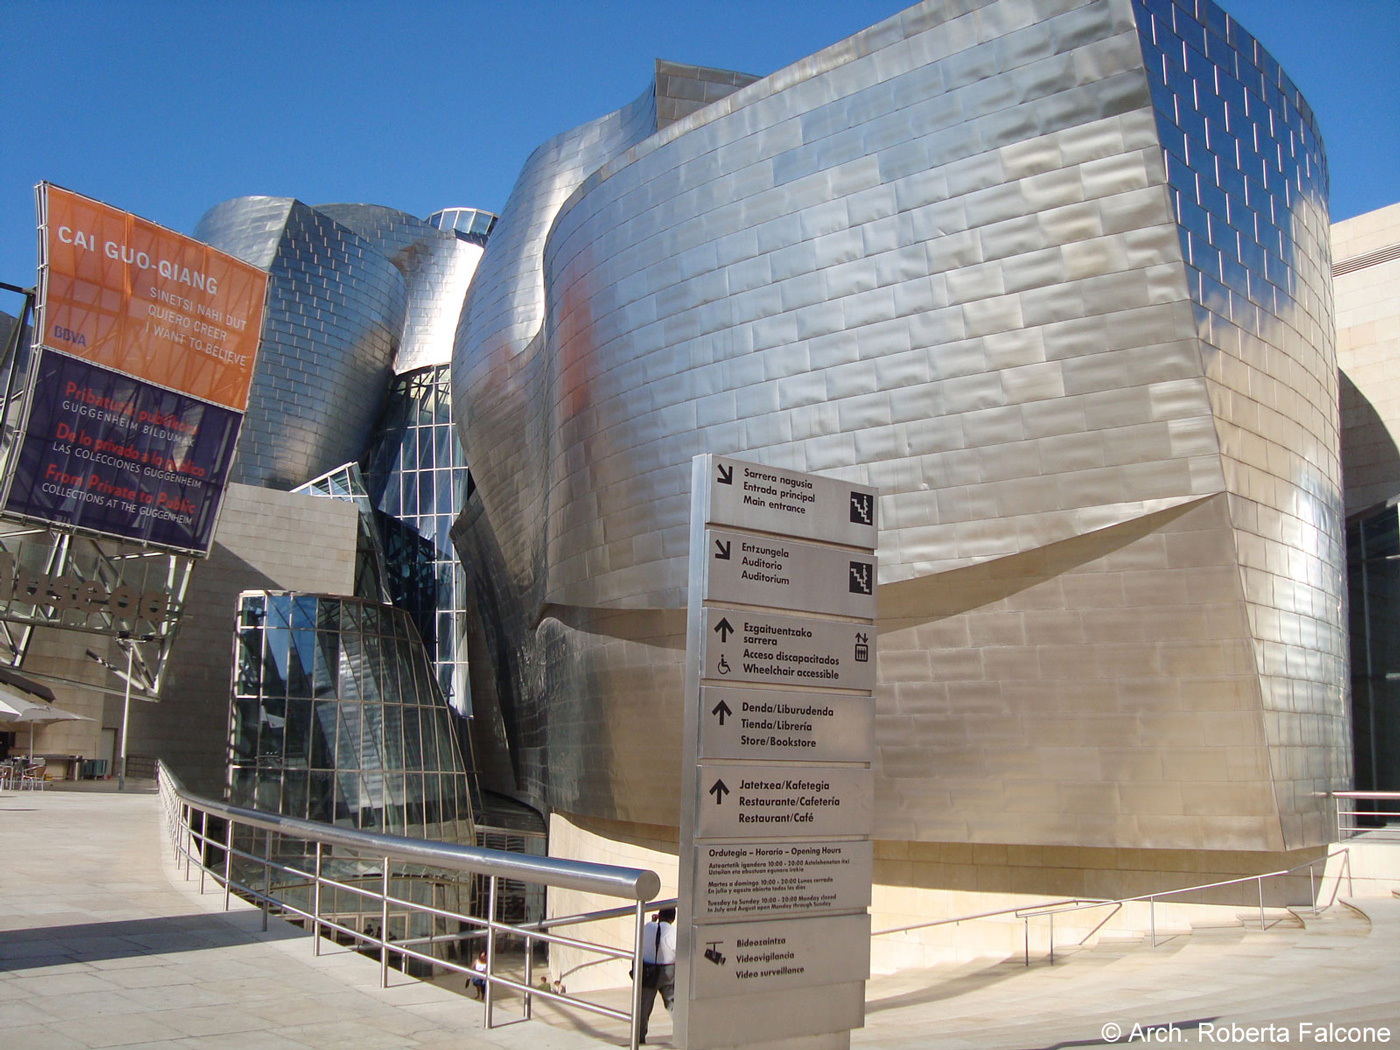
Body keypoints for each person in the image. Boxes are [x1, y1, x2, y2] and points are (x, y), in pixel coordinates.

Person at [637, 907, 676, 1044]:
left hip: (648, 971)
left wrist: (653, 922)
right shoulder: (673, 932)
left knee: (643, 1007)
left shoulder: (647, 927)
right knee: (673, 1004)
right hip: (668, 971)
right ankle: (683, 1034)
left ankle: (639, 1038)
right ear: (673, 918)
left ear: (659, 915)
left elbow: (641, 942)